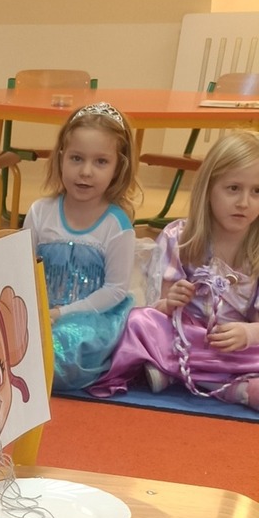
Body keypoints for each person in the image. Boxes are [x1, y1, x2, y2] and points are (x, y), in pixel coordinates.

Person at [90, 131, 259, 409]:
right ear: (208, 188)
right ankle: (216, 380)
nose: (244, 202)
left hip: (234, 349)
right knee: (138, 321)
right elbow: (159, 308)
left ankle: (191, 375)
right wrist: (171, 302)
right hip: (184, 337)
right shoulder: (179, 237)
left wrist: (247, 334)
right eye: (233, 188)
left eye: (256, 192)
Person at [23, 101, 140, 391]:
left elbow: (115, 290)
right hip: (40, 312)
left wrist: (62, 314)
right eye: (76, 158)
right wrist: (35, 311)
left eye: (101, 162)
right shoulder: (40, 212)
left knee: (62, 348)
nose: (85, 171)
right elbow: (21, 270)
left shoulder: (116, 225)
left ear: (118, 167)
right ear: (61, 157)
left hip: (90, 320)